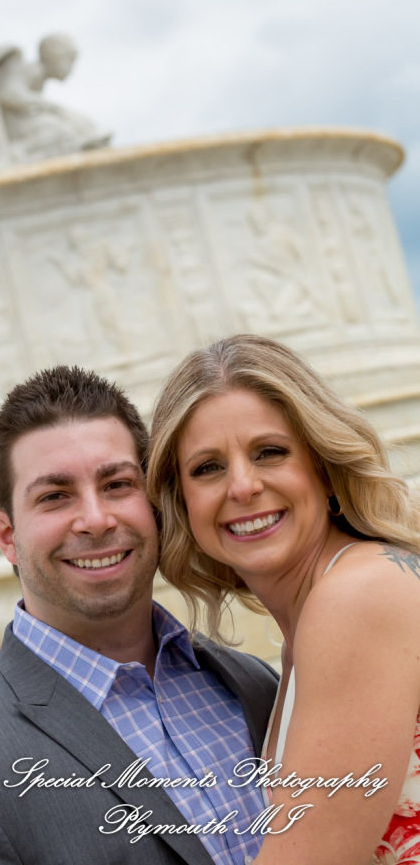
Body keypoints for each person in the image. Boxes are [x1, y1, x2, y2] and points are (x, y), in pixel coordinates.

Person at [0, 364, 278, 865]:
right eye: (54, 496)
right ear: (6, 536)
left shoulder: (253, 686)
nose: (95, 519)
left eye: (116, 484)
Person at [147, 334, 420, 865]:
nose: (243, 486)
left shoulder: (356, 597)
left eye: (269, 452)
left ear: (321, 465)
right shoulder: (319, 614)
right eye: (208, 468)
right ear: (182, 501)